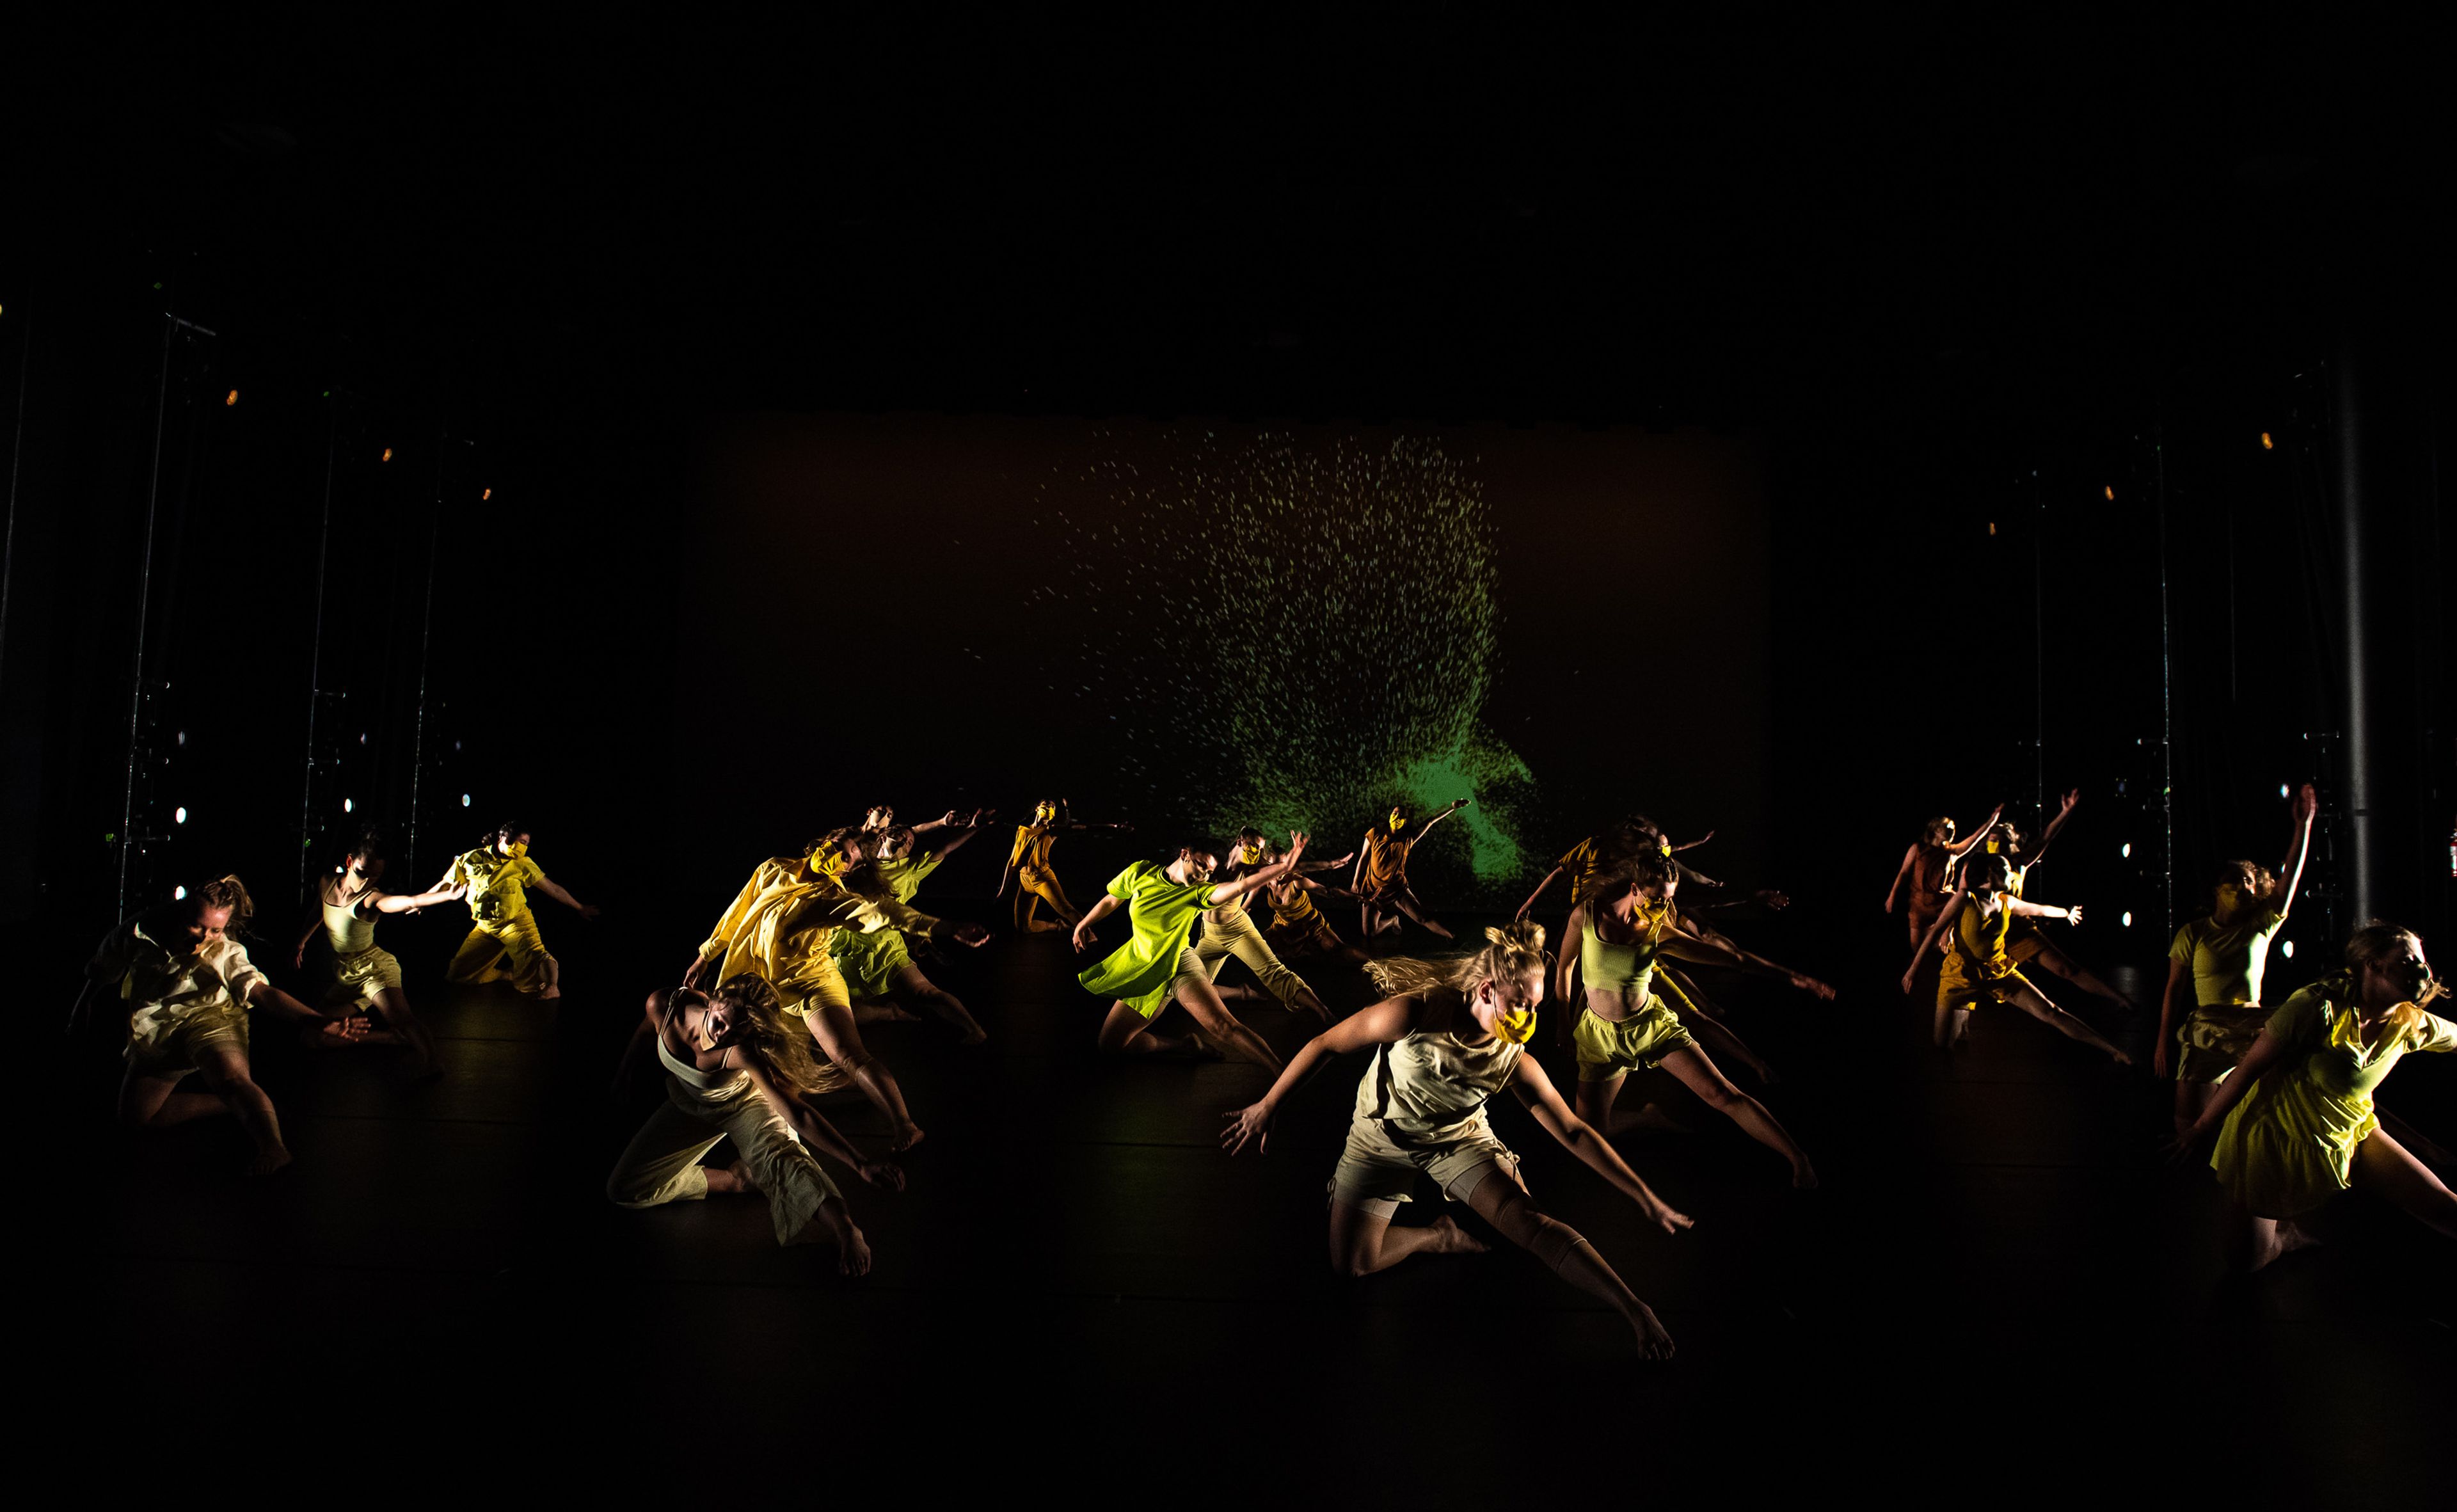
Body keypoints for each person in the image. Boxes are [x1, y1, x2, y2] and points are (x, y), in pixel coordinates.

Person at [1220, 920, 1692, 1358]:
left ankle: (1633, 1307)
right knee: (1353, 1264)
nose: (1529, 1016)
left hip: (1456, 1142)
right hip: (1378, 1137)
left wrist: (1643, 1196)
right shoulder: (1416, 1011)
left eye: (1537, 1005)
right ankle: (1437, 1235)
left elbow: (1573, 1129)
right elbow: (1325, 1043)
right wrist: (1268, 1105)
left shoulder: (1514, 1059)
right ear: (1487, 990)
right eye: (1522, 1003)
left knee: (1531, 1224)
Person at [2169, 922, 2454, 1271]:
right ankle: (2284, 1239)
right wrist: (2200, 1128)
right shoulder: (2315, 1007)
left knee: (2443, 1208)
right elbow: (2248, 1070)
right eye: (2410, 961)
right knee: (2246, 1262)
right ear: (2374, 965)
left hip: (2350, 1133)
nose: (2423, 970)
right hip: (2276, 1135)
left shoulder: (2415, 1025)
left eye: (2423, 961)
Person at [691, 829, 990, 1151]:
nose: (839, 855)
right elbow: (738, 912)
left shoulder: (829, 898)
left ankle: (905, 1124)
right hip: (771, 988)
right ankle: (842, 1092)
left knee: (847, 1054)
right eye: (838, 847)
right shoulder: (775, 869)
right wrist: (705, 955)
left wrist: (943, 927)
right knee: (782, 1077)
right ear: (823, 841)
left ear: (846, 871)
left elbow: (879, 913)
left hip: (814, 984)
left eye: (848, 857)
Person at [1562, 852, 1831, 1186]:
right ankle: (1649, 1118)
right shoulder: (1587, 915)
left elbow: (1734, 959)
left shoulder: (1659, 933)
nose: (1663, 907)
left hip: (1649, 1028)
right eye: (1657, 898)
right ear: (1635, 888)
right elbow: (1564, 968)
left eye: (1669, 900)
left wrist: (1794, 978)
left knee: (1722, 1094)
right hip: (1598, 1035)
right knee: (1591, 1129)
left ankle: (1798, 1158)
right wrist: (1564, 1022)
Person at [606, 975, 898, 1273]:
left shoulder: (743, 1051)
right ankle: (740, 1180)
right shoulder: (665, 1005)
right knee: (626, 1189)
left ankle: (846, 1229)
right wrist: (624, 1074)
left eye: (738, 1033)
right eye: (721, 1023)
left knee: (784, 1158)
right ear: (714, 999)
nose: (723, 1036)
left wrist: (860, 1163)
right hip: (691, 1105)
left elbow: (798, 1114)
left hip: (745, 1105)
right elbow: (646, 1030)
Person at [90, 875, 366, 1175]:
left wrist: (317, 1021)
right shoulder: (141, 929)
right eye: (197, 925)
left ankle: (274, 1147)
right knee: (136, 1118)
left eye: (215, 930)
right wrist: (82, 1006)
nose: (203, 937)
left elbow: (264, 994)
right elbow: (105, 966)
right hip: (160, 1028)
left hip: (211, 1019)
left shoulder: (224, 952)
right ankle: (230, 1106)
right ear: (184, 910)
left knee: (233, 1079)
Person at [1073, 834, 1314, 1069]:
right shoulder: (1140, 872)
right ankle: (1186, 1046)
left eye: (1209, 872)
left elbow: (1242, 886)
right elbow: (1111, 899)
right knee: (1110, 1045)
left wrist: (1285, 866)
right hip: (1146, 971)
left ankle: (1284, 1076)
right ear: (1185, 854)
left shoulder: (1199, 892)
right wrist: (1083, 924)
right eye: (1201, 866)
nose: (1204, 875)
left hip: (1180, 966)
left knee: (1223, 1027)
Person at [2158, 784, 2318, 1136]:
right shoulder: (2194, 933)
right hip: (2205, 1029)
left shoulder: (2261, 925)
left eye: (2247, 881)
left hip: (2251, 1026)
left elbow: (2290, 876)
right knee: (2187, 1126)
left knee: (2281, 1101)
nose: (2240, 886)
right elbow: (2174, 989)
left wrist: (2302, 827)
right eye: (2232, 880)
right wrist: (2162, 1042)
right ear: (2216, 889)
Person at [1905, 851, 2129, 1065]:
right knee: (1941, 1044)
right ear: (1991, 871)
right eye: (2006, 868)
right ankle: (1963, 1008)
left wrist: (2066, 913)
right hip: (1960, 975)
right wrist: (1913, 969)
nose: (2011, 874)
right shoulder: (1965, 898)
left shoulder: (2007, 902)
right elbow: (1935, 932)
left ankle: (2114, 1051)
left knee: (2050, 1011)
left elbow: (2039, 910)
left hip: (1998, 971)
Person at [292, 831, 463, 1077]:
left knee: (402, 1017)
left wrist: (445, 896)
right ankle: (388, 1038)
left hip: (374, 970)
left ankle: (433, 1062)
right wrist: (301, 942)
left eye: (375, 876)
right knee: (312, 1036)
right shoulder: (327, 882)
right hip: (346, 973)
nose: (366, 882)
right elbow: (317, 911)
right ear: (350, 862)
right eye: (362, 873)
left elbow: (406, 900)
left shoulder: (370, 898)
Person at [831, 818, 992, 1044]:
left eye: (910, 844)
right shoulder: (862, 859)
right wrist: (940, 822)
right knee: (841, 1012)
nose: (905, 844)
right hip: (847, 949)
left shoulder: (910, 869)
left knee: (924, 992)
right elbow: (902, 831)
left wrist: (974, 828)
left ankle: (974, 1030)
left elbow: (944, 849)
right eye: (901, 838)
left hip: (885, 947)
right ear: (884, 837)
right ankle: (890, 1013)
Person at [1985, 792, 2136, 1010]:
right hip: (1988, 935)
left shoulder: (2019, 863)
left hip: (2018, 932)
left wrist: (2066, 812)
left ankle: (2121, 999)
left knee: (2066, 969)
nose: (1994, 846)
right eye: (1991, 842)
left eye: (1998, 841)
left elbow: (2045, 838)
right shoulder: (1979, 868)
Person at [1192, 831, 1351, 1020]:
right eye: (1254, 847)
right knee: (1192, 986)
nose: (1257, 853)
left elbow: (1293, 867)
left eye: (1260, 849)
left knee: (1273, 972)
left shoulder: (1252, 868)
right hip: (1210, 933)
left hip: (1237, 931)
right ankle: (1242, 993)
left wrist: (1331, 865)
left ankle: (1323, 1011)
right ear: (1240, 841)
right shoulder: (1213, 862)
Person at [438, 820, 598, 1001]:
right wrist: (420, 902)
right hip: (485, 927)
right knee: (458, 975)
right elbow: (446, 884)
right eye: (521, 842)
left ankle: (553, 987)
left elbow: (553, 889)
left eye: (527, 844)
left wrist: (579, 907)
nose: (523, 847)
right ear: (503, 838)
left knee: (537, 955)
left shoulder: (523, 864)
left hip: (515, 922)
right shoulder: (470, 859)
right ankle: (506, 975)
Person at [999, 798, 1130, 932]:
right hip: (1024, 881)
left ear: (1053, 815)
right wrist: (1003, 890)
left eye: (1053, 807)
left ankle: (1089, 935)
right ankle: (1058, 926)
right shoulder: (1022, 831)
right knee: (1023, 927)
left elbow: (1085, 828)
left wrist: (1114, 827)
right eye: (1047, 804)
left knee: (1067, 910)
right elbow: (1011, 861)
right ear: (1037, 808)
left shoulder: (1051, 830)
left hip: (1042, 879)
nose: (1050, 806)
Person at [1885, 803, 2001, 950]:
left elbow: (1975, 838)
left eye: (1953, 829)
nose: (1952, 831)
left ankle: (1948, 936)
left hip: (1942, 902)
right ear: (1936, 830)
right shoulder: (1918, 849)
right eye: (1948, 828)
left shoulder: (1952, 852)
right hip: (1919, 903)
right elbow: (1903, 872)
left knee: (1947, 935)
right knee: (1917, 947)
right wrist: (1892, 894)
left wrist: (1991, 822)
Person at [1355, 797, 1470, 940]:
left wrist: (1452, 807)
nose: (1397, 817)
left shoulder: (1407, 839)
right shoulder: (1374, 834)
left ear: (1406, 821)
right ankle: (1392, 921)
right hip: (1373, 890)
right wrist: (1356, 882)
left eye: (1402, 816)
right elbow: (1363, 858)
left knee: (1422, 918)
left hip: (1397, 889)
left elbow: (1430, 821)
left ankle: (1452, 937)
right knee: (1369, 933)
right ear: (1390, 815)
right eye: (1395, 813)